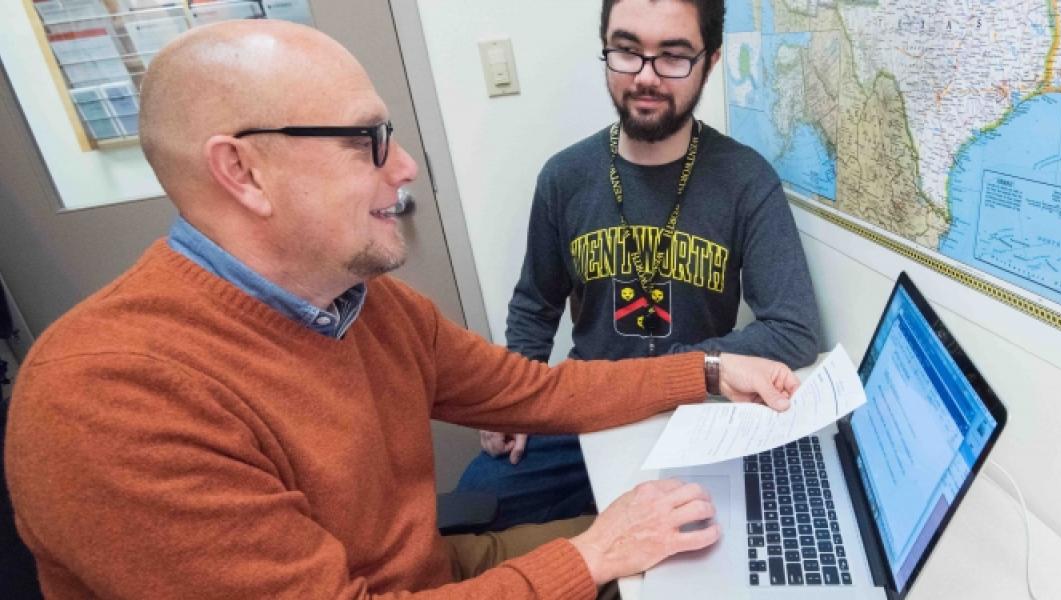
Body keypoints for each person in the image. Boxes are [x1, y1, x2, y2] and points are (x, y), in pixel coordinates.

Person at [2, 20, 802, 599]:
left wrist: (707, 368)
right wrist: (592, 558)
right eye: (365, 141)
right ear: (243, 172)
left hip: (441, 573)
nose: (406, 167)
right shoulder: (107, 400)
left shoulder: (365, 306)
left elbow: (541, 392)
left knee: (715, 558)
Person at [456, 0, 822, 531]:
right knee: (477, 503)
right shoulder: (564, 177)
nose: (646, 77)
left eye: (673, 56)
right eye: (628, 51)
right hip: (585, 403)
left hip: (696, 410)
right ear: (605, 50)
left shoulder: (746, 180)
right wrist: (513, 401)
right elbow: (535, 305)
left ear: (711, 61)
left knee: (708, 549)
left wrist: (692, 369)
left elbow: (794, 329)